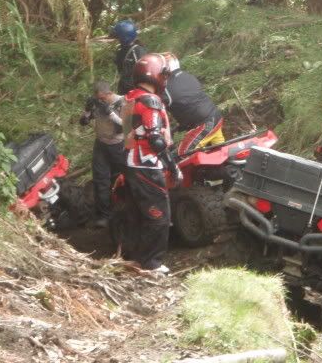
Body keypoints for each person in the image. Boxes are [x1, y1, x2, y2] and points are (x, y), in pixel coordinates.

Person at [122, 53, 176, 273]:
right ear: (156, 75)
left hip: (130, 162)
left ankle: (136, 259)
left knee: (137, 213)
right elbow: (155, 139)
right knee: (159, 216)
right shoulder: (150, 101)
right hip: (146, 164)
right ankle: (151, 264)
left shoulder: (130, 97)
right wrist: (172, 165)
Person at [79, 80, 126, 228]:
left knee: (124, 177)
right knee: (100, 179)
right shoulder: (98, 103)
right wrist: (87, 110)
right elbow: (84, 121)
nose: (101, 101)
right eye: (98, 99)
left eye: (103, 98)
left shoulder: (122, 102)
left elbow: (127, 124)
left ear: (109, 93)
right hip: (101, 145)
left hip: (118, 145)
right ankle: (104, 215)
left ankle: (124, 210)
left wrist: (110, 113)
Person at [159, 52, 225, 155]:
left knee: (183, 154)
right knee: (220, 154)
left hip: (205, 124)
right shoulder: (188, 76)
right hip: (215, 117)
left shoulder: (166, 88)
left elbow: (157, 108)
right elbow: (189, 102)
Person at [111, 20, 148, 94]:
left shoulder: (137, 51)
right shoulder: (120, 49)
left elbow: (144, 73)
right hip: (124, 88)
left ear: (123, 38)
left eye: (118, 37)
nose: (117, 40)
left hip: (134, 91)